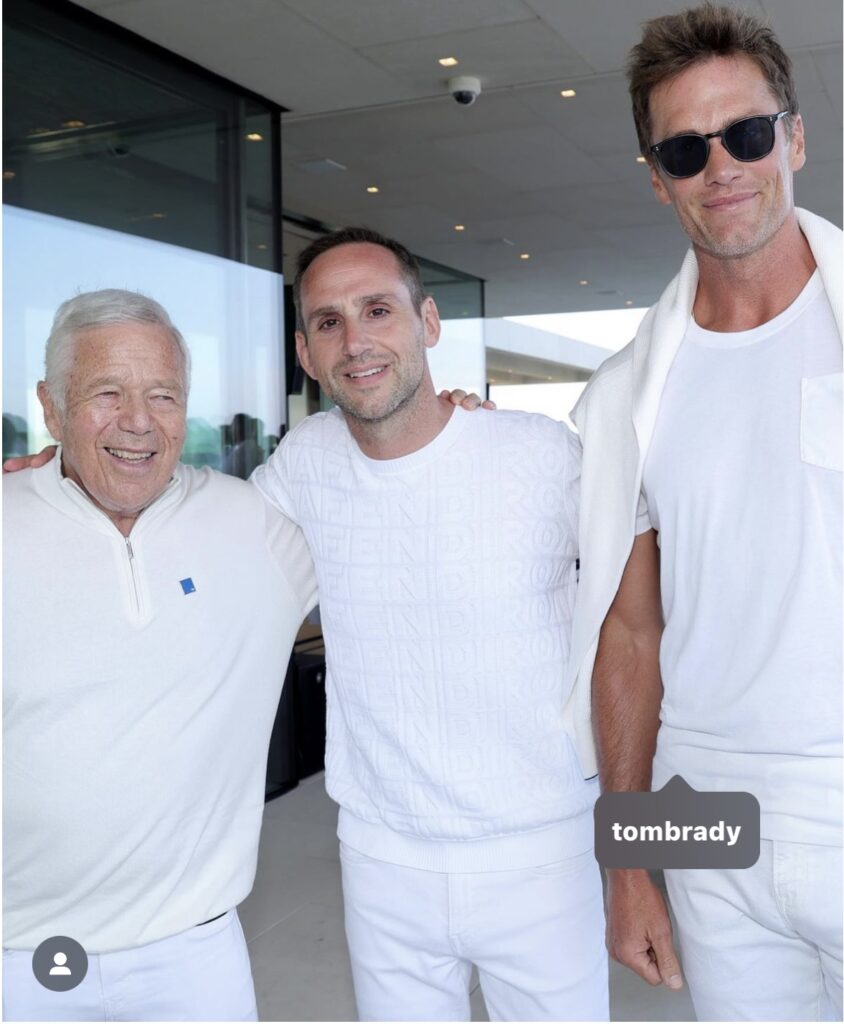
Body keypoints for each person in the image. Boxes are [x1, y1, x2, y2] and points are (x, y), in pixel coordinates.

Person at [251, 226, 609, 1022]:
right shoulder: (304, 463)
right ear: (305, 353)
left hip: (539, 851)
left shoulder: (544, 455)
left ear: (429, 323)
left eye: (378, 310)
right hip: (381, 857)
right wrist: (59, 480)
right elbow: (198, 529)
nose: (356, 341)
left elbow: (642, 610)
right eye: (329, 321)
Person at [569, 5, 842, 1021]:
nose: (720, 166)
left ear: (794, 138)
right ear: (657, 177)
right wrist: (627, 864)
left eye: (748, 133)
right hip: (705, 813)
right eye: (685, 149)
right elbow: (628, 636)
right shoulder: (623, 397)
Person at [3, 289, 318, 1021]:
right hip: (21, 955)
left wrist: (447, 417)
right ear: (52, 407)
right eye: (106, 393)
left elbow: (394, 516)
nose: (138, 421)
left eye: (163, 395)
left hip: (194, 952)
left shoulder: (252, 524)